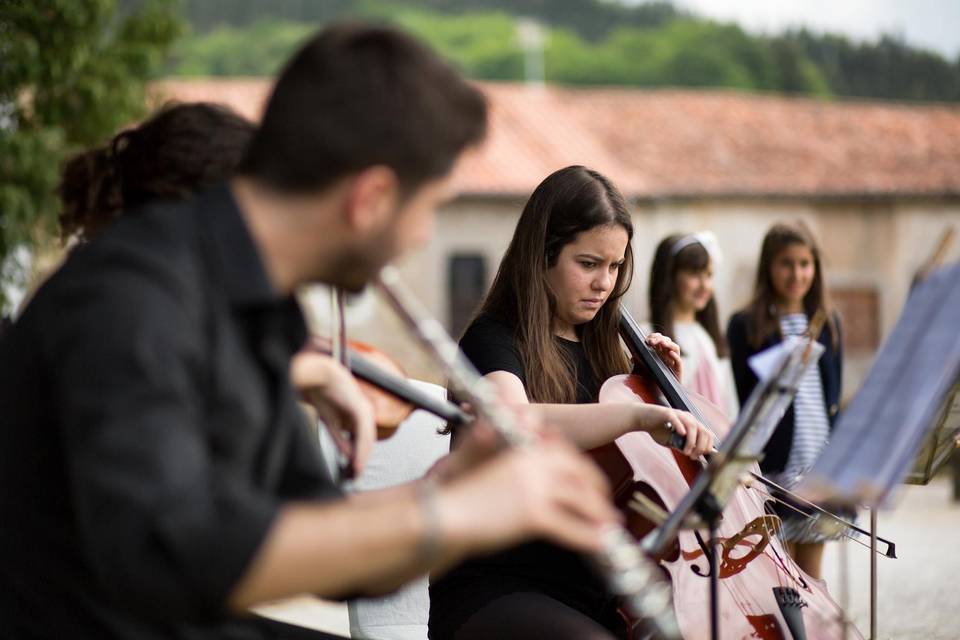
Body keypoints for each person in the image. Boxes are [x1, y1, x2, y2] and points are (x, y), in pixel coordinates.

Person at [0, 25, 620, 640]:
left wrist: (447, 485)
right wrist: (446, 517)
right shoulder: (133, 296)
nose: (423, 237)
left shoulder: (264, 307)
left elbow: (317, 534)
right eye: (427, 209)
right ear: (371, 198)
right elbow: (167, 558)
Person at [429, 165, 713, 640]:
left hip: (591, 588)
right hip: (499, 589)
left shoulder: (606, 354)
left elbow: (629, 483)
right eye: (588, 264)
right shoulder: (492, 339)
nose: (605, 283)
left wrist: (652, 389)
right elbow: (511, 423)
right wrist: (636, 414)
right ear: (542, 256)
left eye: (615, 266)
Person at [726, 220, 845, 579]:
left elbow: (833, 395)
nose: (797, 273)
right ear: (769, 268)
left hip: (818, 464)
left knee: (813, 578)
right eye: (786, 264)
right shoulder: (746, 324)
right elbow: (748, 397)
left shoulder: (829, 322)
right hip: (775, 468)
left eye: (805, 264)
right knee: (782, 576)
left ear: (815, 269)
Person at [648, 232, 739, 420]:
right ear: (669, 276)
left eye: (709, 275)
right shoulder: (650, 335)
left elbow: (729, 404)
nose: (705, 285)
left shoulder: (709, 338)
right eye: (694, 274)